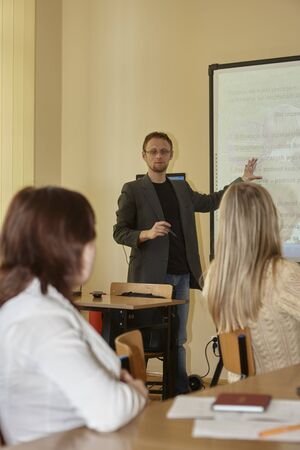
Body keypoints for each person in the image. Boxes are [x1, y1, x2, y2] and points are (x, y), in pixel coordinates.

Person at [113, 131, 261, 394]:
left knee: (178, 339)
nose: (159, 156)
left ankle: (177, 391)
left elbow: (211, 201)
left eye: (164, 151)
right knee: (145, 338)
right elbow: (119, 232)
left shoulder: (181, 187)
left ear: (171, 155)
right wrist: (146, 234)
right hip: (148, 280)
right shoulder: (133, 190)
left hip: (181, 275)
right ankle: (135, 393)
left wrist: (242, 180)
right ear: (144, 155)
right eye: (153, 151)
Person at [0, 186, 147, 446]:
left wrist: (112, 381)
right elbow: (108, 410)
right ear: (69, 247)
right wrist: (133, 392)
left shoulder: (31, 303)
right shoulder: (41, 320)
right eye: (90, 236)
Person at [204, 182, 300, 379]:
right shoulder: (283, 274)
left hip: (243, 392)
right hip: (287, 394)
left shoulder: (215, 275)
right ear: (270, 219)